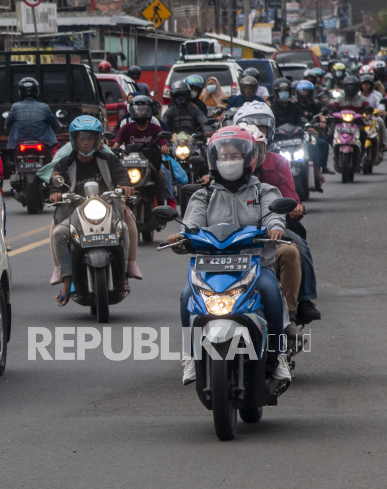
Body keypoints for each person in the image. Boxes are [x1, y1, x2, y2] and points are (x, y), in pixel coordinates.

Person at [165, 128, 293, 384]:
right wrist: (181, 237)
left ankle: (277, 353)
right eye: (223, 155)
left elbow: (273, 214)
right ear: (214, 159)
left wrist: (275, 227)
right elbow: (191, 224)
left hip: (256, 266)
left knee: (271, 293)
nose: (229, 160)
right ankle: (191, 354)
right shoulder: (204, 194)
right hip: (210, 269)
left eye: (234, 154)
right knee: (186, 296)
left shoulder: (263, 191)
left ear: (248, 158)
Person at [49, 116, 140, 303]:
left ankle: (127, 269)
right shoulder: (64, 163)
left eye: (89, 138)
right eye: (81, 138)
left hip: (107, 210)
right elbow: (54, 182)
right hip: (75, 212)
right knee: (58, 232)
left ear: (98, 140)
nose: (85, 142)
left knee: (125, 223)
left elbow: (122, 177)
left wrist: (125, 187)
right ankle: (65, 278)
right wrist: (55, 193)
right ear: (74, 140)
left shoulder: (109, 159)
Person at [240, 122, 322, 325]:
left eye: (253, 151)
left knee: (294, 248)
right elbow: (197, 216)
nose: (246, 157)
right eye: (238, 152)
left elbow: (287, 202)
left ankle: (293, 312)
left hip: (267, 239)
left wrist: (289, 213)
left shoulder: (270, 180)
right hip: (228, 248)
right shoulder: (212, 186)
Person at [113, 95, 173, 207]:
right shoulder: (126, 128)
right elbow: (116, 144)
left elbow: (163, 143)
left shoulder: (155, 128)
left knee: (161, 176)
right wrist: (113, 150)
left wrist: (164, 147)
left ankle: (161, 206)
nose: (140, 112)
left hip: (150, 165)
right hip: (129, 165)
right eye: (137, 109)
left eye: (143, 109)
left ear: (150, 110)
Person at [5, 77, 61, 152]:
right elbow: (56, 124)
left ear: (20, 92)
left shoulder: (15, 107)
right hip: (44, 144)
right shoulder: (44, 107)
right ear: (37, 92)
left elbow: (7, 124)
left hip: (18, 143)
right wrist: (60, 125)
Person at [295, 80, 333, 176]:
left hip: (312, 133)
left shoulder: (315, 106)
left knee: (323, 142)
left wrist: (322, 121)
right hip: (297, 134)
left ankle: (322, 167)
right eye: (302, 92)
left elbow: (321, 116)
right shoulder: (294, 106)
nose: (304, 95)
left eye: (307, 92)